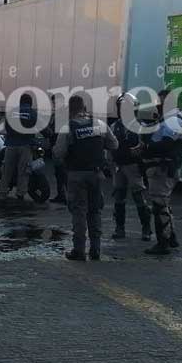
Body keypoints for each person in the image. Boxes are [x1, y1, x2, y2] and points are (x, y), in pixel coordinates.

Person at [54, 94, 118, 261]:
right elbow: (114, 144)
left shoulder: (68, 128)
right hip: (96, 174)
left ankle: (79, 250)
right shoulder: (100, 124)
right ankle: (95, 249)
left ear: (70, 110)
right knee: (95, 210)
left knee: (79, 212)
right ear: (84, 108)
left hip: (76, 174)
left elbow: (58, 153)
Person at [142, 89, 182, 256]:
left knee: (159, 205)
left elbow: (166, 144)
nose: (158, 106)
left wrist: (146, 147)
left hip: (163, 167)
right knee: (164, 204)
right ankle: (171, 237)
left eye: (161, 102)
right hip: (162, 166)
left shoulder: (174, 121)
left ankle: (163, 242)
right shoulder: (169, 119)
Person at [110, 93, 152, 241]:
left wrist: (140, 153)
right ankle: (119, 228)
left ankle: (146, 229)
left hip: (133, 166)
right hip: (119, 166)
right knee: (119, 199)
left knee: (139, 198)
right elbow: (109, 146)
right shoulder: (115, 126)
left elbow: (146, 147)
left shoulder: (140, 126)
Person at [0, 93, 38, 201]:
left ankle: (3, 191)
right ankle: (20, 194)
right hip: (25, 145)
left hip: (11, 144)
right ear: (30, 102)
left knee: (7, 170)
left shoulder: (11, 112)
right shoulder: (32, 113)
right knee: (24, 170)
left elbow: (7, 127)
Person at [44, 95, 68, 203]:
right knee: (59, 172)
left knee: (61, 172)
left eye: (55, 102)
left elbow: (54, 130)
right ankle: (62, 195)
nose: (54, 105)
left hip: (60, 146)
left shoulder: (62, 114)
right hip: (57, 145)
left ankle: (64, 195)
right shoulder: (58, 114)